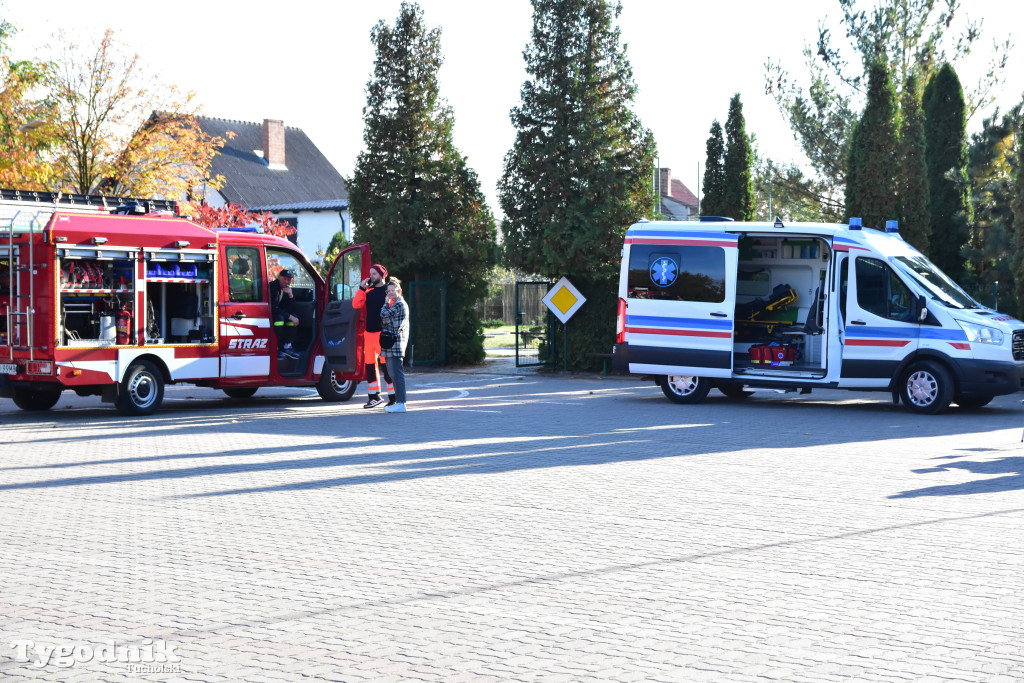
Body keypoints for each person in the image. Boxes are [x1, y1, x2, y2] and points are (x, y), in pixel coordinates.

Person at [351, 263, 395, 408]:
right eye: (370, 274)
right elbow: (356, 304)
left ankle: (393, 397)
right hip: (368, 334)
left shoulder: (388, 291)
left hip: (382, 334)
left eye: (374, 274)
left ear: (382, 275)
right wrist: (361, 288)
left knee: (387, 367)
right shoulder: (367, 292)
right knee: (370, 366)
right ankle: (374, 396)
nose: (371, 276)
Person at [381, 279, 410, 413]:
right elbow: (383, 317)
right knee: (392, 374)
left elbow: (385, 316)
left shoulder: (399, 304)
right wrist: (386, 317)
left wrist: (386, 310)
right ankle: (399, 402)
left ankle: (401, 402)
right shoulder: (392, 304)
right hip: (389, 343)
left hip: (396, 344)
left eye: (394, 290)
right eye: (389, 291)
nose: (391, 293)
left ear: (399, 290)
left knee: (397, 374)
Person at [269, 269, 300, 360]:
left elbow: (292, 309)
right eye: (284, 279)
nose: (287, 281)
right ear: (279, 277)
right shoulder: (273, 287)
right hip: (270, 314)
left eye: (289, 279)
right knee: (279, 319)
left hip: (279, 313)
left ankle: (287, 346)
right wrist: (290, 317)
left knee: (294, 317)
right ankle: (276, 347)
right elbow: (274, 308)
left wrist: (290, 295)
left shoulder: (287, 289)